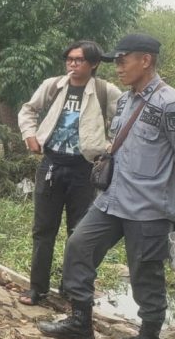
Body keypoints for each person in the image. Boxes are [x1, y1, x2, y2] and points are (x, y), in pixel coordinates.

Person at [39, 34, 175, 339]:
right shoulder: (126, 101)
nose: (118, 67)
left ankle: (150, 337)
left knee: (145, 271)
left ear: (146, 60)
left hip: (149, 208)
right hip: (112, 199)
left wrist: (161, 190)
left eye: (124, 60)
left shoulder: (171, 104)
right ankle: (80, 321)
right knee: (79, 246)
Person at [16, 41, 122, 305]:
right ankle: (37, 289)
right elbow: (29, 109)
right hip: (51, 165)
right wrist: (30, 134)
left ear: (94, 64)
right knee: (43, 231)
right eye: (70, 60)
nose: (73, 65)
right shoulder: (53, 86)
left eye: (79, 60)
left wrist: (108, 147)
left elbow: (122, 123)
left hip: (85, 169)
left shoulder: (105, 91)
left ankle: (70, 289)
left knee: (78, 233)